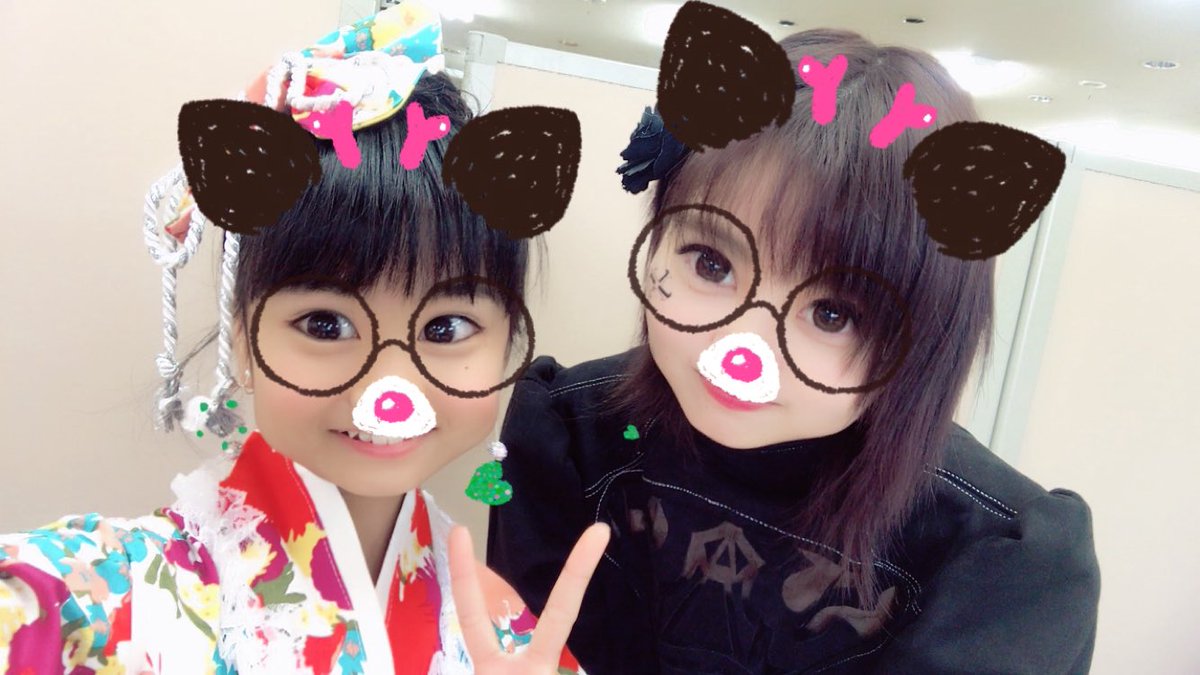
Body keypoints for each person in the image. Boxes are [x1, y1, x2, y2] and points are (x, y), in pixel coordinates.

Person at [0, 4, 607, 673]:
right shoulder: (97, 597)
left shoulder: (508, 637)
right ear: (242, 337)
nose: (389, 390)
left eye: (446, 328)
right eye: (325, 324)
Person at [487, 22, 1102, 675]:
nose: (739, 348)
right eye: (711, 263)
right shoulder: (572, 436)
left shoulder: (999, 560)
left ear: (929, 340)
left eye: (832, 313)